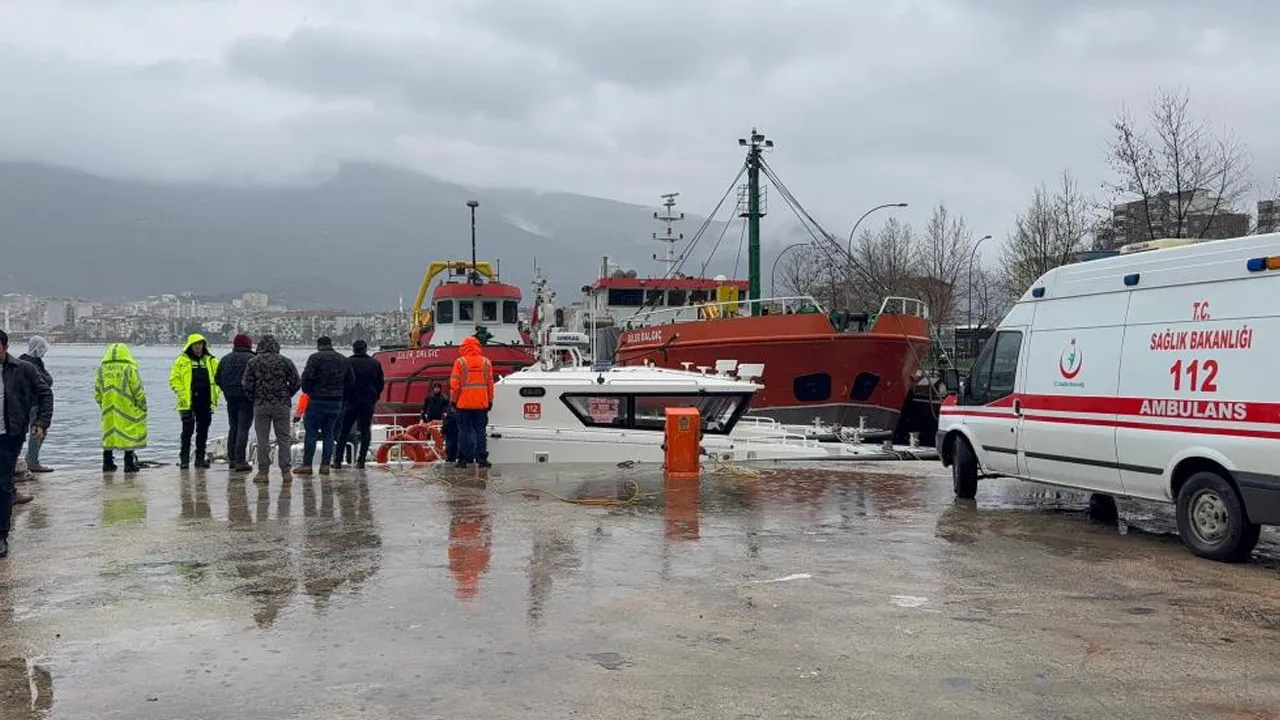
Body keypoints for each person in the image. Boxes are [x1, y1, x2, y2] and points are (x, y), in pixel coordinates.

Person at [0, 329, 53, 558]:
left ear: (4, 346)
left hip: (8, 436)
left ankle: (2, 535)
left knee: (3, 484)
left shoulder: (22, 369)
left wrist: (41, 421)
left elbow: (45, 393)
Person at [241, 335, 300, 485]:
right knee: (284, 439)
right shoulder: (286, 361)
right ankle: (286, 472)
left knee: (262, 439)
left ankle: (263, 472)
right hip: (281, 405)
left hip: (261, 405)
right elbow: (296, 382)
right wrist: (286, 394)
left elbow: (246, 384)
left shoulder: (253, 362)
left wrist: (254, 397)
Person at [297, 336, 353, 476]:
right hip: (335, 402)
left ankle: (307, 465)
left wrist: (308, 391)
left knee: (311, 432)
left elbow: (306, 378)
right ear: (331, 344)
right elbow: (351, 381)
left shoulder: (315, 358)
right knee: (329, 433)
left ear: (319, 345)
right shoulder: (343, 359)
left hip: (317, 400)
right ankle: (325, 465)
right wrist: (342, 395)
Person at [94, 343, 147, 474]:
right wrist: (142, 404)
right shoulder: (129, 368)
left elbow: (97, 390)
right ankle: (129, 464)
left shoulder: (103, 369)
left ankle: (107, 463)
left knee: (108, 435)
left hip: (108, 408)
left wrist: (103, 404)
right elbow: (137, 388)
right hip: (126, 406)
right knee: (128, 434)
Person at [169, 334, 220, 469]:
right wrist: (180, 393)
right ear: (190, 346)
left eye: (200, 344)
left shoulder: (211, 360)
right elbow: (174, 379)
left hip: (206, 401)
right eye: (195, 344)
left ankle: (200, 459)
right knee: (187, 432)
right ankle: (184, 459)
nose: (198, 347)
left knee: (203, 432)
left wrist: (217, 393)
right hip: (187, 403)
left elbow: (218, 379)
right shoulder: (181, 361)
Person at [333, 340, 384, 470]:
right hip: (367, 401)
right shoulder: (375, 363)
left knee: (343, 431)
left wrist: (343, 398)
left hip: (350, 401)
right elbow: (380, 383)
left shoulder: (347, 362)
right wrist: (375, 397)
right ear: (366, 349)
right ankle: (361, 461)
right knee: (365, 431)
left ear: (353, 349)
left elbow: (341, 381)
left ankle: (338, 461)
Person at [449, 335, 495, 469]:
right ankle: (482, 459)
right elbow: (490, 384)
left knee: (464, 432)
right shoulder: (486, 362)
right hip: (481, 404)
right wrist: (490, 401)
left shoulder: (460, 362)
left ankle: (463, 459)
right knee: (481, 431)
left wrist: (453, 401)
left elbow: (455, 385)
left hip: (464, 404)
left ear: (463, 348)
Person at [215, 334, 255, 473]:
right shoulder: (252, 359)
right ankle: (240, 460)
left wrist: (227, 390)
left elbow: (217, 378)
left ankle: (232, 459)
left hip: (230, 398)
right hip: (247, 399)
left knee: (233, 427)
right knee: (243, 428)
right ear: (249, 345)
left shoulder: (225, 359)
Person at [18, 336, 53, 473]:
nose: (44, 351)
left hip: (38, 403)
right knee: (36, 432)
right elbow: (44, 381)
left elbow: (46, 380)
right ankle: (32, 462)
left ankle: (31, 460)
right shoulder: (28, 363)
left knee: (41, 431)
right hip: (31, 403)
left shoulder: (36, 363)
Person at [421, 382, 456, 463]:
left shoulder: (444, 398)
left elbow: (446, 409)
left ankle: (441, 452)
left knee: (440, 436)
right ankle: (427, 452)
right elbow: (424, 408)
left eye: (438, 388)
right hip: (429, 420)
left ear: (440, 388)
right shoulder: (428, 397)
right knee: (429, 435)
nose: (436, 389)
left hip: (440, 420)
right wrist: (422, 418)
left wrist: (444, 417)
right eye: (435, 388)